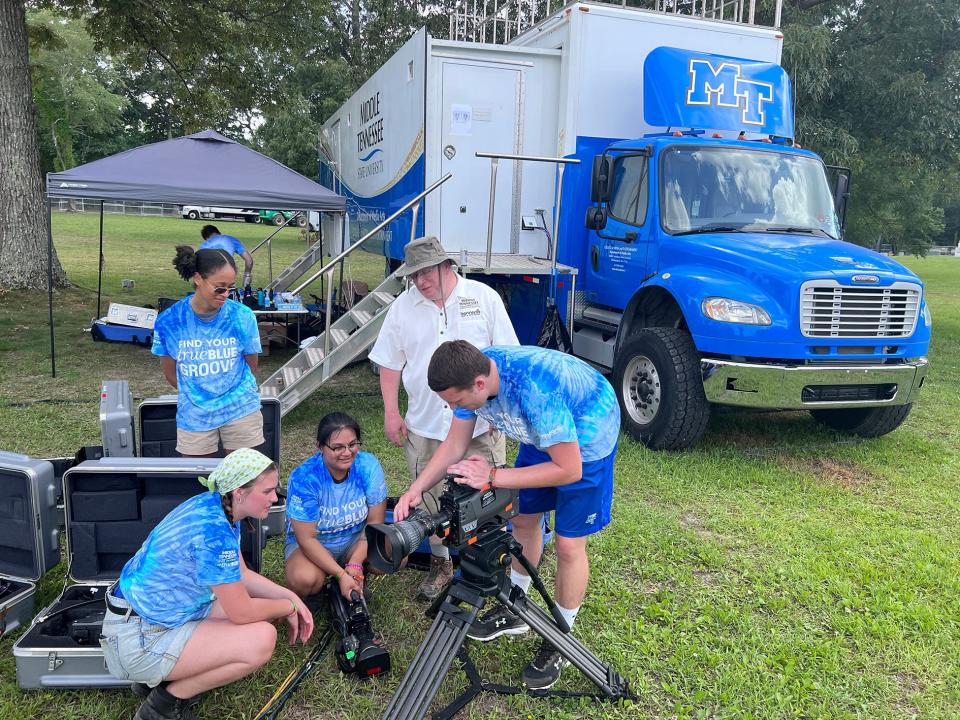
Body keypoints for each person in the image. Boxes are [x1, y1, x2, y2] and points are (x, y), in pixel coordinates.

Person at [394, 340, 620, 690]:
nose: (453, 408)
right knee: (523, 519)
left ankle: (560, 636)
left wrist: (494, 476)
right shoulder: (472, 374)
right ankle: (515, 609)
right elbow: (454, 445)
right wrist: (416, 489)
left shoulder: (535, 393)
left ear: (479, 385)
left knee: (568, 545)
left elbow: (569, 469)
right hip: (544, 435)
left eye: (455, 401)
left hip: (587, 444)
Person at [100, 449, 314, 720]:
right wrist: (286, 606)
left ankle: (161, 679)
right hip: (139, 639)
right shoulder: (214, 531)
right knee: (261, 638)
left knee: (257, 621)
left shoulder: (216, 505)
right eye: (269, 491)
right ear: (239, 492)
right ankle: (164, 704)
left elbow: (242, 575)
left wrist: (290, 597)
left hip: (151, 618)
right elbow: (242, 612)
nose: (275, 498)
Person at [368, 236, 519, 600]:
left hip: (480, 426)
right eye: (413, 275)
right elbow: (389, 363)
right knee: (430, 502)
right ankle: (440, 566)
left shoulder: (483, 298)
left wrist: (502, 411)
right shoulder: (402, 308)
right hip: (425, 425)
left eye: (426, 272)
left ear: (446, 264)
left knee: (487, 498)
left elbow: (508, 358)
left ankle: (490, 565)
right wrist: (391, 411)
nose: (420, 281)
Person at [152, 246, 263, 457]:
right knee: (199, 480)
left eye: (231, 288)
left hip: (241, 408)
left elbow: (252, 365)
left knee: (243, 482)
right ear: (197, 278)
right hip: (195, 413)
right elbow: (170, 374)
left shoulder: (243, 316)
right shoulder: (169, 321)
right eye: (219, 288)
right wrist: (199, 392)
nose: (226, 295)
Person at [284, 412, 388, 602]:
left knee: (391, 551)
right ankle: (317, 591)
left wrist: (355, 563)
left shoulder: (368, 465)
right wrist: (341, 575)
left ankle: (356, 573)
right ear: (320, 447)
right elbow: (306, 539)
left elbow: (375, 523)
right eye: (337, 447)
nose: (347, 452)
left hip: (355, 539)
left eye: (352, 444)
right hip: (316, 544)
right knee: (304, 579)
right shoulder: (305, 478)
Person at [200, 225, 254, 289]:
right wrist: (247, 276)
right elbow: (249, 260)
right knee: (230, 295)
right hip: (229, 275)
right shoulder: (231, 239)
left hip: (211, 279)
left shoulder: (204, 246)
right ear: (218, 232)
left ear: (206, 238)